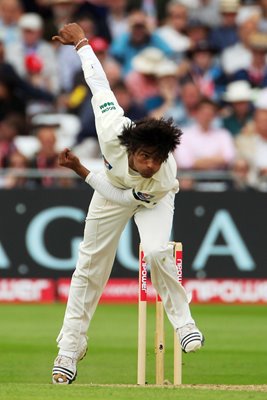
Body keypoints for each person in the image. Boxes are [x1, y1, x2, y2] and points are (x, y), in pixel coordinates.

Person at [51, 23, 204, 385]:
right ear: (132, 147)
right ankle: (70, 347)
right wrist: (83, 44)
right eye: (146, 157)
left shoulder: (164, 176)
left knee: (154, 252)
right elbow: (98, 84)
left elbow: (129, 197)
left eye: (158, 159)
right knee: (89, 267)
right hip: (110, 191)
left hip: (150, 200)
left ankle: (183, 322)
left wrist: (80, 170)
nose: (151, 165)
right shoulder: (110, 126)